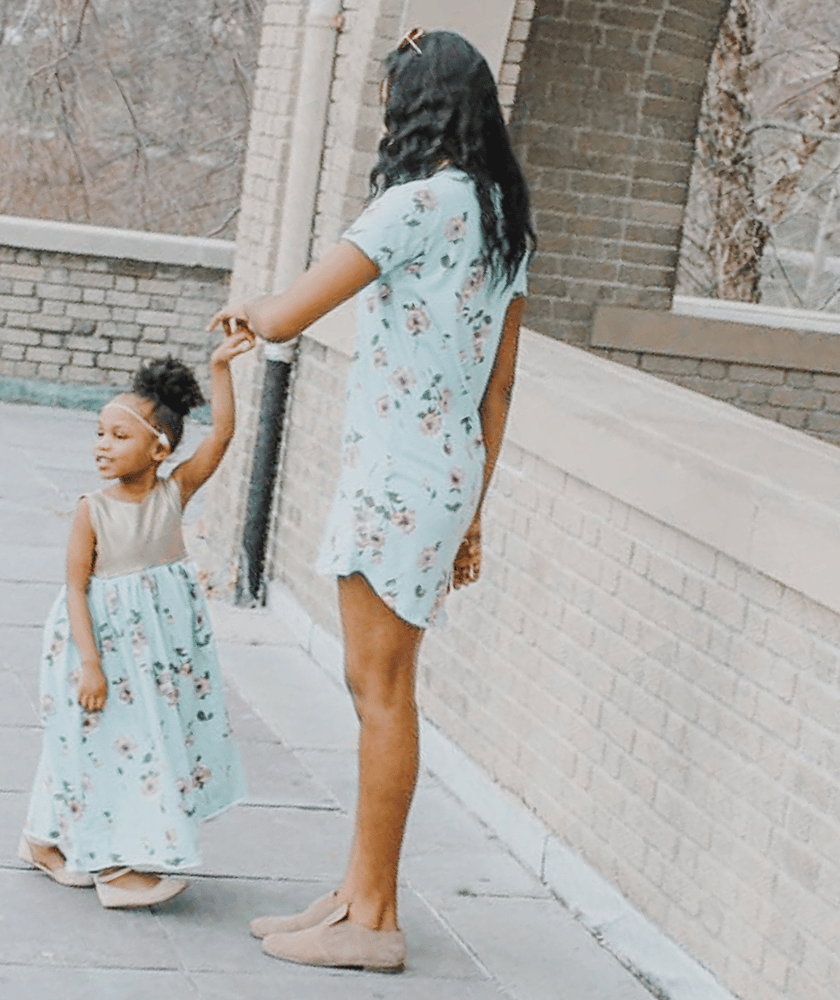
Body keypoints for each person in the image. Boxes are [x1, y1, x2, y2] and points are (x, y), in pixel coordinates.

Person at [210, 28, 535, 971]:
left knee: (381, 692)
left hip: (395, 475)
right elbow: (500, 390)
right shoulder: (502, 216)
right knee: (380, 688)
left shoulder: (414, 204)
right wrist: (474, 510)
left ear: (416, 107)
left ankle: (377, 919)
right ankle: (355, 894)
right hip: (442, 476)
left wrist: (244, 311)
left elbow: (288, 313)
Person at [19, 330, 253, 908]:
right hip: (99, 648)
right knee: (110, 743)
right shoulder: (92, 511)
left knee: (121, 742)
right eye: (99, 433)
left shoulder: (173, 496)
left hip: (154, 655)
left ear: (159, 449)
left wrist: (219, 367)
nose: (102, 445)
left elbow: (223, 434)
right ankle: (112, 866)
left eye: (119, 436)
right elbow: (76, 588)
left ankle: (43, 840)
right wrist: (90, 664)